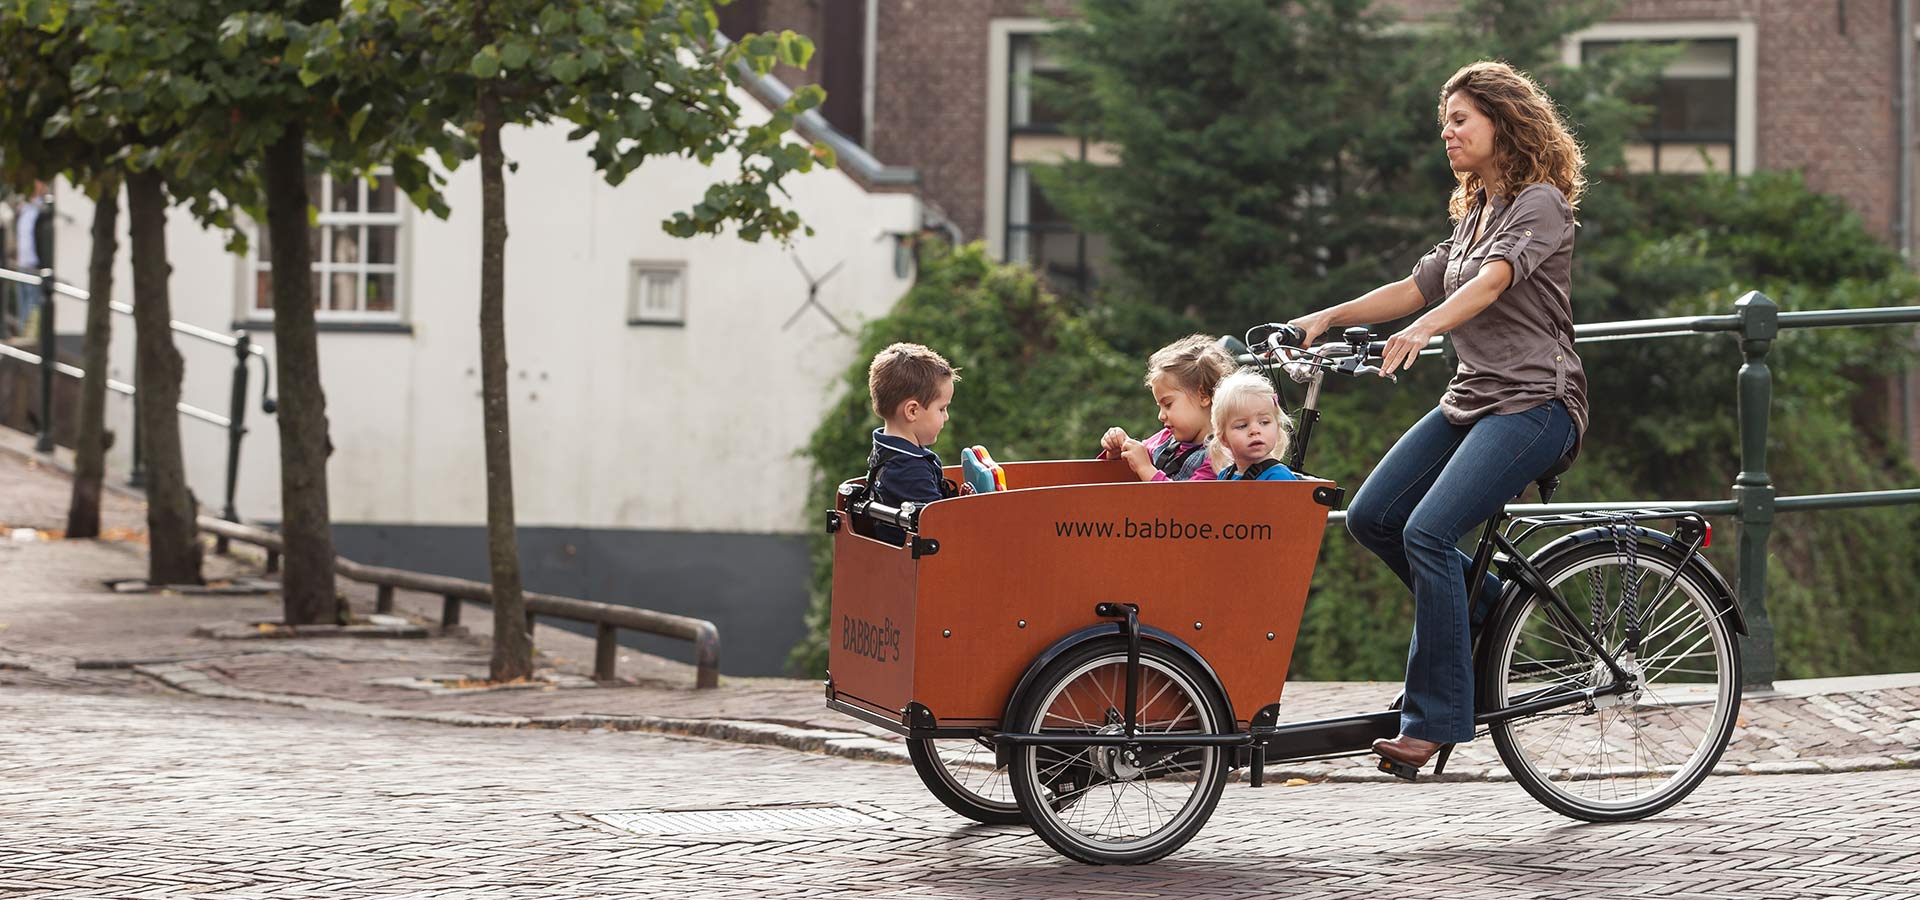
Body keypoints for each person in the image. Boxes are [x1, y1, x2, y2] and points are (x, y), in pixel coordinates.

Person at [1287, 61, 1588, 775]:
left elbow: (1492, 282)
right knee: (1374, 517)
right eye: (1444, 123)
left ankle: (1438, 718)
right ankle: (1487, 607)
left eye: (1459, 120)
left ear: (1501, 122)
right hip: (1474, 398)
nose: (1447, 133)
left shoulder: (1539, 204)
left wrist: (1426, 331)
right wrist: (1327, 316)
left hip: (1537, 404)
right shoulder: (1477, 210)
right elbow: (1415, 285)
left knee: (1428, 529)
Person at [1099, 334, 1235, 482]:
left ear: (1203, 396)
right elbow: (1131, 468)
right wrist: (1117, 452)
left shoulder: (1221, 456)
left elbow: (1185, 502)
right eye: (1160, 406)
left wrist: (1146, 469)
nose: (1161, 416)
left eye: (1168, 404)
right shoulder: (1164, 439)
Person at [864, 342, 960, 545]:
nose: (946, 417)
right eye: (942, 409)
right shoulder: (908, 468)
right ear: (913, 411)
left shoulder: (886, 452)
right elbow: (939, 526)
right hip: (917, 567)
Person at [1209, 371, 1298, 482]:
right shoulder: (1225, 476)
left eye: (1264, 422)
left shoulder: (1278, 477)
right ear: (1223, 438)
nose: (1255, 430)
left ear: (1277, 428)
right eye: (1242, 426)